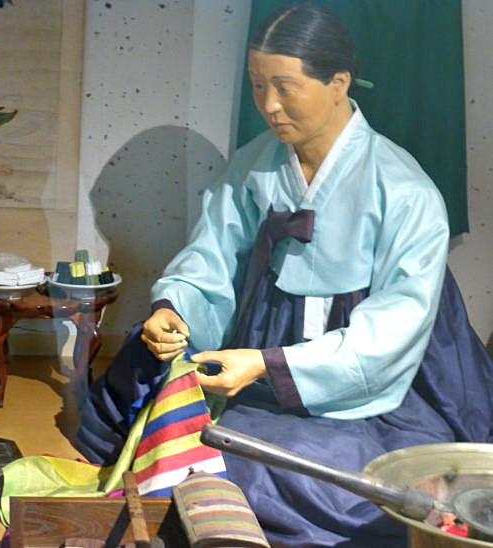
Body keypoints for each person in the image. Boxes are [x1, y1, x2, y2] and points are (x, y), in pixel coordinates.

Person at [75, 2, 493, 547]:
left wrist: (269, 366)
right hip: (257, 350)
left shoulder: (405, 191)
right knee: (156, 384)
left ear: (339, 83)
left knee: (270, 467)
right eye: (258, 85)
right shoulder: (255, 164)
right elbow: (211, 258)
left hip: (368, 390)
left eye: (285, 86)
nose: (269, 105)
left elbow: (389, 336)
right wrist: (172, 308)